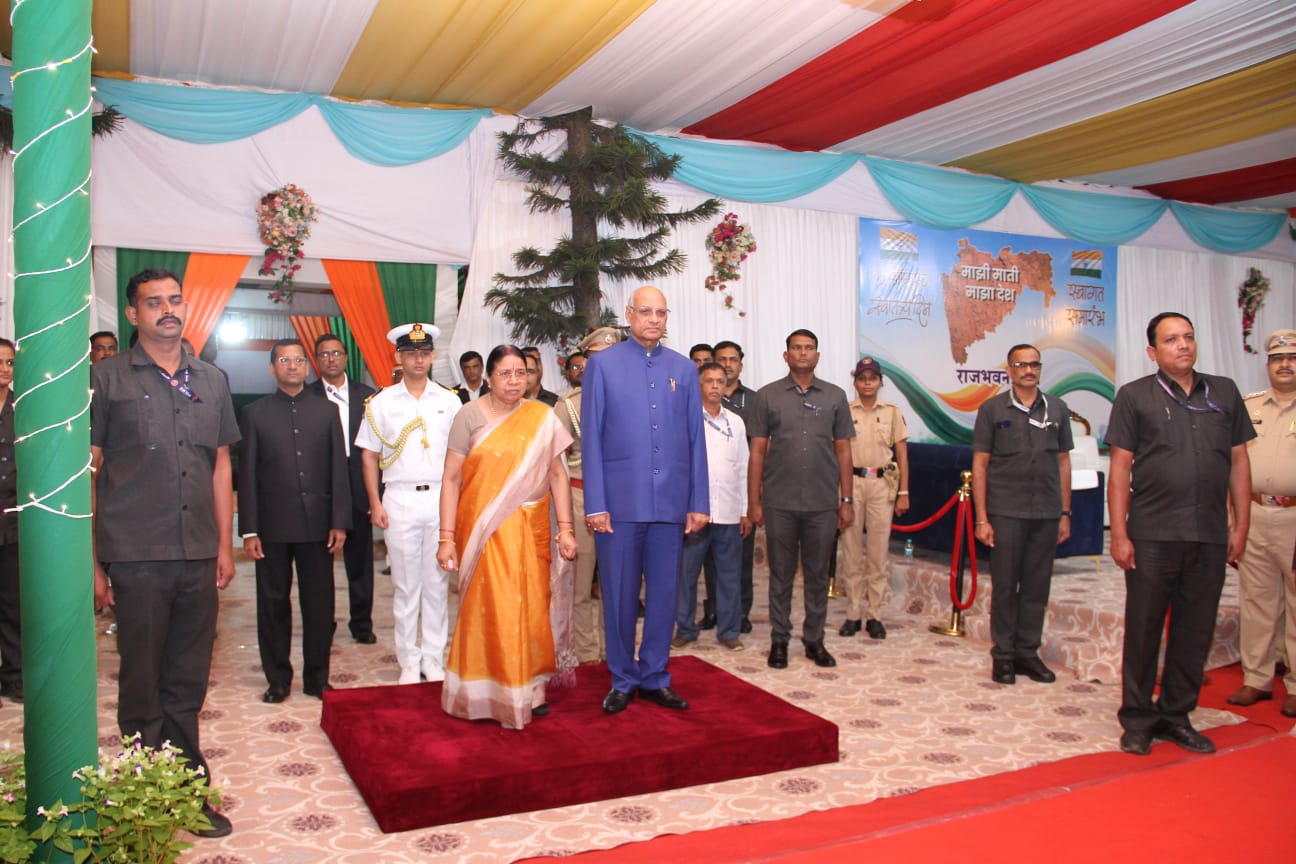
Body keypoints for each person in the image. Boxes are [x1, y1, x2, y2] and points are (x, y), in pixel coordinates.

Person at [91, 268, 237, 838]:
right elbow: (89, 472)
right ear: (133, 315)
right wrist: (92, 561)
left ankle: (185, 788)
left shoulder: (212, 379)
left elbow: (221, 464)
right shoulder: (106, 380)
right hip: (135, 552)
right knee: (142, 681)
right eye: (154, 303)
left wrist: (224, 546)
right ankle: (140, 793)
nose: (167, 310)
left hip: (198, 552)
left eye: (175, 300)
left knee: (188, 680)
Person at [1107, 312, 1254, 756]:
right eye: (1171, 340)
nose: (1183, 346)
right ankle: (1137, 718)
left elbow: (1240, 462)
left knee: (1195, 629)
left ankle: (1176, 715)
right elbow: (1119, 470)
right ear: (1153, 351)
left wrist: (1240, 524)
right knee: (1144, 628)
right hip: (1152, 534)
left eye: (1188, 337)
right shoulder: (1134, 397)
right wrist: (1119, 534)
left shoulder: (1224, 391)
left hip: (1208, 533)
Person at [436, 346, 579, 729]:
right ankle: (482, 692)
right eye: (505, 373)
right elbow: (451, 478)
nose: (515, 381)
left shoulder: (542, 417)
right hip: (483, 532)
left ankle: (531, 691)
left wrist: (566, 529)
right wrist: (446, 537)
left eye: (522, 373)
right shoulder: (468, 415)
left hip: (531, 529)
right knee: (488, 609)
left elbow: (558, 476)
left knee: (531, 608)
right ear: (488, 377)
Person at [583, 286, 709, 714]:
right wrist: (595, 503)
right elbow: (592, 441)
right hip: (618, 505)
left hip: (670, 504)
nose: (653, 319)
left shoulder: (684, 369)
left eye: (660, 313)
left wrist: (699, 500)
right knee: (618, 595)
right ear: (629, 314)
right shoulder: (602, 366)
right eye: (645, 312)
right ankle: (622, 676)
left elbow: (696, 439)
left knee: (664, 595)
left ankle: (655, 674)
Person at [239, 340, 350, 703]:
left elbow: (338, 471)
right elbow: (248, 474)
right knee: (273, 605)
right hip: (271, 526)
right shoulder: (255, 413)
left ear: (308, 367)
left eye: (298, 360)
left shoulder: (327, 411)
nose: (291, 366)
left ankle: (317, 678)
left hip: (318, 525)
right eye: (283, 361)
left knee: (320, 605)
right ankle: (278, 679)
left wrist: (339, 522)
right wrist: (249, 528)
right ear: (272, 369)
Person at [355, 323, 462, 685]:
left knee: (436, 583)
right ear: (398, 356)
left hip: (440, 499)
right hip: (398, 498)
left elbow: (461, 456)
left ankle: (434, 658)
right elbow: (369, 457)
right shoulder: (381, 402)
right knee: (405, 586)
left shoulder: (450, 401)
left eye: (425, 353)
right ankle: (407, 659)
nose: (418, 359)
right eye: (411, 353)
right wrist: (375, 503)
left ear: (433, 357)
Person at [748, 329, 853, 671]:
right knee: (780, 574)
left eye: (809, 348)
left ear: (818, 356)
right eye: (797, 348)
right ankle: (780, 639)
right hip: (779, 501)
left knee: (818, 575)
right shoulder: (767, 396)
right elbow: (758, 450)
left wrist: (847, 498)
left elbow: (843, 449)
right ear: (786, 355)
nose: (803, 353)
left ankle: (814, 640)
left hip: (823, 502)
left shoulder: (835, 397)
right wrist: (754, 500)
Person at [971, 345, 1073, 683]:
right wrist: (982, 518)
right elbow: (981, 465)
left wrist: (1065, 512)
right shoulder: (991, 409)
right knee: (1004, 587)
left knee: (1036, 587)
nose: (1028, 370)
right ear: (1009, 370)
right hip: (1005, 512)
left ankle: (1028, 653)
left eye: (1034, 364)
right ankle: (1003, 655)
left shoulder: (1057, 409)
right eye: (1021, 365)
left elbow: (1063, 462)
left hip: (1045, 512)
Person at [1229, 329, 1296, 718]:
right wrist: (1232, 519)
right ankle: (1256, 678)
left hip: (1293, 518)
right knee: (1256, 600)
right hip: (1253, 514)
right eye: (1277, 358)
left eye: (1291, 358)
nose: (1284, 364)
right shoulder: (1248, 406)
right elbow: (1231, 465)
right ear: (1267, 364)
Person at [554, 327, 623, 664]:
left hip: (622, 503)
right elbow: (553, 463)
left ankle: (616, 650)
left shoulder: (634, 398)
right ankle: (586, 653)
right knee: (581, 585)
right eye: (596, 359)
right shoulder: (568, 406)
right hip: (581, 498)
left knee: (618, 584)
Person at [307, 333, 379, 644]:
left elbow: (377, 449)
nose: (331, 359)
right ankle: (324, 622)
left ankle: (361, 623)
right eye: (324, 355)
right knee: (320, 559)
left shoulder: (369, 396)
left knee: (360, 557)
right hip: (320, 485)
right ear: (317, 360)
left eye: (336, 353)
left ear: (346, 358)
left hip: (357, 482)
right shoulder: (306, 397)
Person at [674, 362, 750, 650]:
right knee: (686, 575)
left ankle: (729, 631)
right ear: (699, 385)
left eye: (721, 381)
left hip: (729, 512)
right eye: (710, 381)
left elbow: (743, 467)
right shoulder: (686, 419)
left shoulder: (737, 422)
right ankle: (685, 628)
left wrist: (744, 509)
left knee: (730, 575)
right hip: (695, 513)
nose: (716, 386)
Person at [838, 357, 910, 641]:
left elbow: (902, 454)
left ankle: (875, 614)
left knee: (878, 553)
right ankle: (854, 612)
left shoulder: (892, 412)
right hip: (851, 484)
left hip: (882, 485)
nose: (867, 383)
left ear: (881, 382)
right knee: (852, 551)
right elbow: (837, 452)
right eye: (862, 378)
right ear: (855, 381)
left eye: (873, 378)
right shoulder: (844, 411)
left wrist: (904, 492)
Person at [715, 339, 757, 633]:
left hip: (741, 491)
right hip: (710, 495)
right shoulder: (702, 399)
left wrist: (753, 497)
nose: (728, 364)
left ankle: (741, 614)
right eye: (722, 359)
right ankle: (712, 612)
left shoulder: (755, 401)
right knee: (708, 563)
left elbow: (758, 451)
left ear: (741, 364)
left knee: (740, 561)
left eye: (733, 359)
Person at [0, 340, 19, 703]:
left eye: (10, 362)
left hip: (17, 521)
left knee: (14, 605)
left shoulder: (26, 408)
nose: (4, 369)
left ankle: (15, 677)